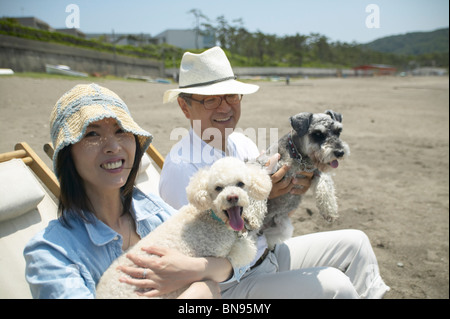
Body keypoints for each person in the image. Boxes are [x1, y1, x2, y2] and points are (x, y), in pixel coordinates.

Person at [159, 46, 390, 298]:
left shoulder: (242, 143)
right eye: (211, 99)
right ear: (185, 106)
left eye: (232, 96)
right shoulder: (183, 168)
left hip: (266, 251)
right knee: (336, 286)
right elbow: (205, 250)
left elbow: (277, 210)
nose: (225, 107)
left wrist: (291, 190)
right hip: (229, 284)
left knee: (356, 244)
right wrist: (264, 197)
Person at [24, 83, 231, 298]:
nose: (113, 146)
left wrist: (198, 272)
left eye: (121, 130)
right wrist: (199, 292)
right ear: (68, 155)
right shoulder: (52, 252)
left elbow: (233, 265)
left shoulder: (153, 210)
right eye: (92, 134)